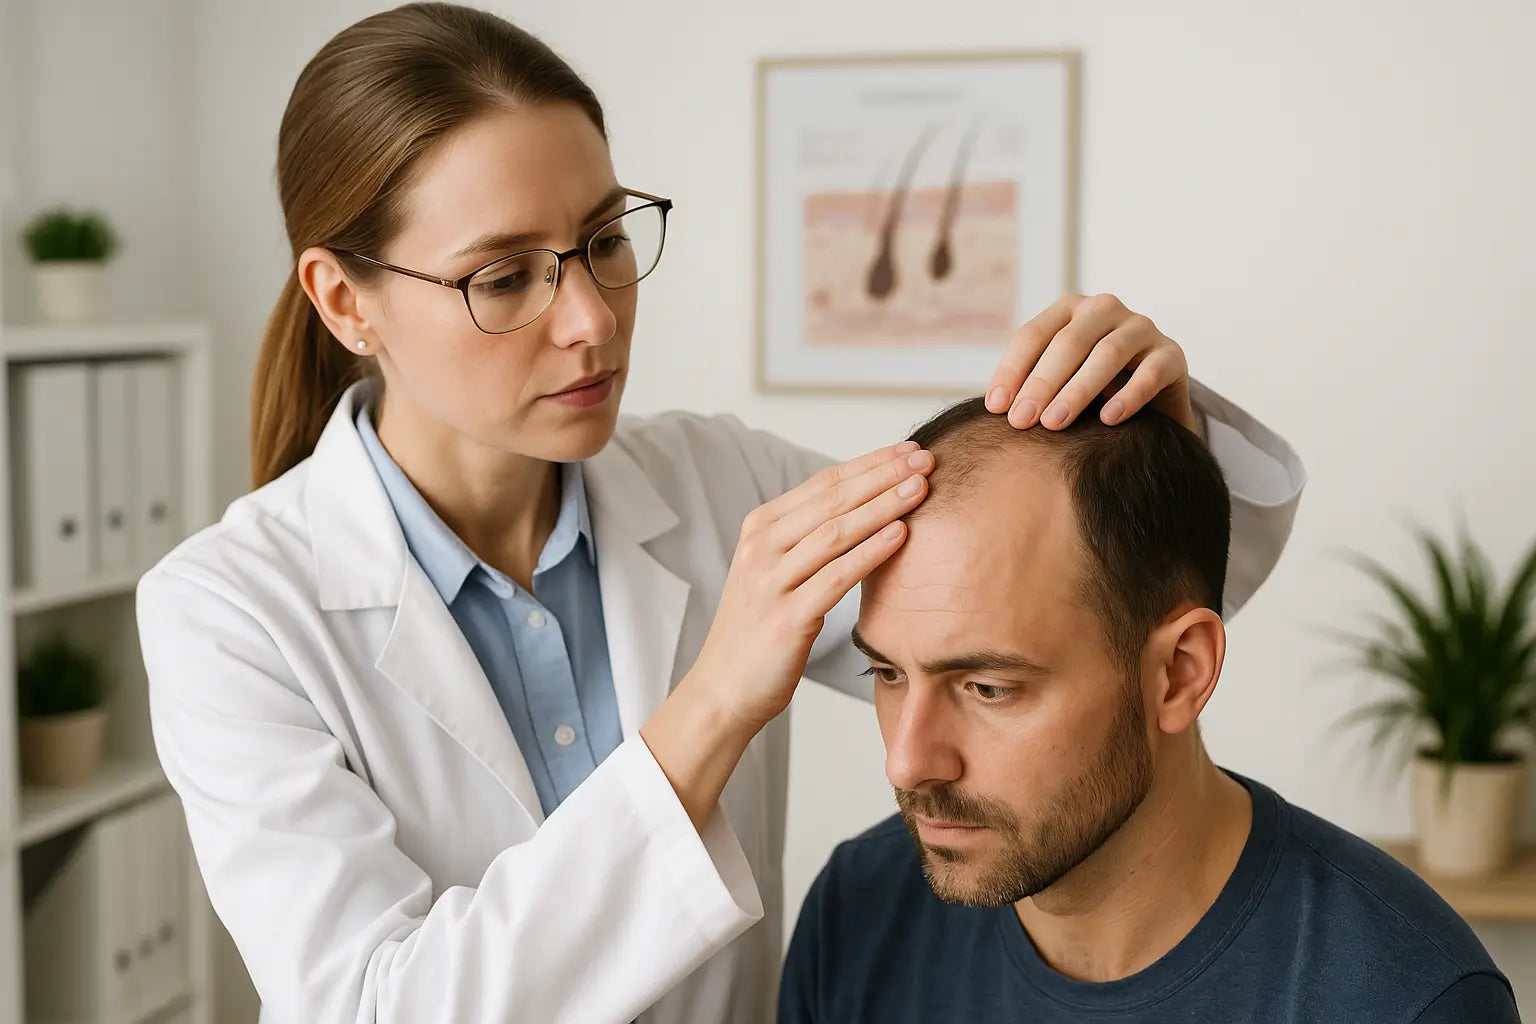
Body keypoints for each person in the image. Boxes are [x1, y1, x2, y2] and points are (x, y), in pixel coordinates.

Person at [134, 5, 1305, 1023]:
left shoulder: (716, 482)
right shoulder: (230, 612)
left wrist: (1157, 418)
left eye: (602, 240)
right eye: (504, 277)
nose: (592, 319)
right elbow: (378, 1009)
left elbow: (1113, 614)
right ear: (345, 300)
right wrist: (711, 706)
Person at [778, 397, 1516, 1023]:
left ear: (1178, 674)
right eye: (887, 672)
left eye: (989, 688)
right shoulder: (858, 913)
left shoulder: (1406, 996)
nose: (906, 761)